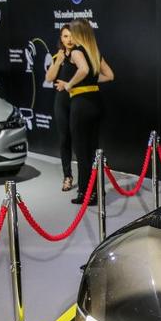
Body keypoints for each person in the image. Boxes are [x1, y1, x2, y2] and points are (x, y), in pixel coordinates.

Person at [57, 19, 113, 205]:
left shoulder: (77, 51)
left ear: (79, 33)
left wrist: (70, 85)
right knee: (93, 150)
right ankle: (95, 192)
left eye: (72, 32)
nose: (70, 37)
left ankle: (86, 193)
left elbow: (84, 69)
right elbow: (109, 75)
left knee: (82, 151)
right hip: (96, 102)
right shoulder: (94, 51)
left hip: (81, 104)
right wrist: (90, 82)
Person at [45, 25, 76, 191]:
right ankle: (67, 176)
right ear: (61, 39)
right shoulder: (57, 56)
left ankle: (89, 179)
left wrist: (69, 85)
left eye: (71, 36)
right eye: (65, 36)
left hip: (79, 101)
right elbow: (49, 78)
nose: (69, 40)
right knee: (65, 140)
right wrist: (58, 61)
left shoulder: (80, 55)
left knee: (80, 140)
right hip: (62, 103)